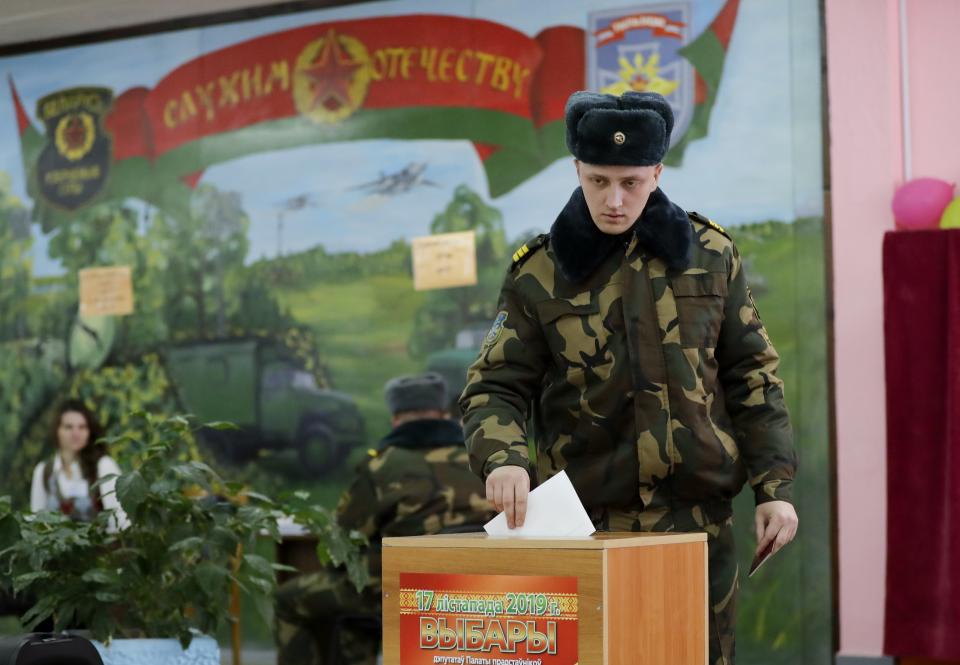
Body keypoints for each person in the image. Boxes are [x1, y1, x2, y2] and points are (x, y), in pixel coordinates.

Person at [460, 90, 798, 665]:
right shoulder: (539, 273)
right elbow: (494, 386)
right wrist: (504, 459)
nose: (614, 201)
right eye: (597, 182)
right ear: (576, 170)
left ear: (657, 173)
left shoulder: (711, 256)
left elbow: (753, 376)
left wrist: (775, 488)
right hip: (588, 527)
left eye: (631, 183)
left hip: (697, 529)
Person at [274, 372, 495, 665]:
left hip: (403, 592)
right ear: (444, 414)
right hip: (486, 593)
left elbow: (342, 543)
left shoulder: (381, 465)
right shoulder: (485, 461)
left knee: (289, 599)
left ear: (395, 419)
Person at [30, 398, 129, 531]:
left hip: (102, 549)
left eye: (82, 427)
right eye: (68, 427)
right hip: (57, 550)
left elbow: (120, 520)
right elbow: (37, 520)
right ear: (57, 431)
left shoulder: (103, 466)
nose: (76, 433)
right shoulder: (44, 471)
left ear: (89, 432)